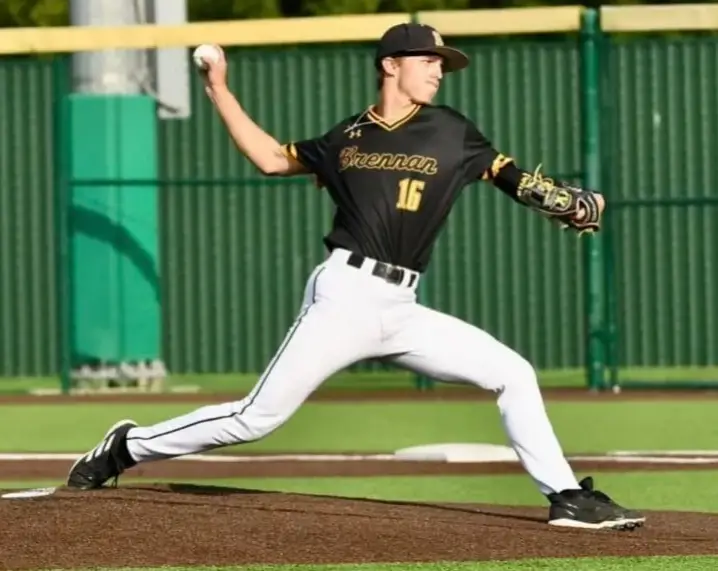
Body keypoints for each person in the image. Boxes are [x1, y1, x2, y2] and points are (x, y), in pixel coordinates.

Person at [67, 22, 644, 531]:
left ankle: (567, 498)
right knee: (254, 419)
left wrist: (563, 199)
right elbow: (270, 159)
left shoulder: (452, 130)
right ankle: (126, 447)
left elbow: (508, 174)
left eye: (442, 64)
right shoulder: (346, 138)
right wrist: (219, 88)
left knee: (513, 374)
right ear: (391, 65)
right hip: (344, 296)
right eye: (428, 60)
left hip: (402, 307)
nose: (438, 71)